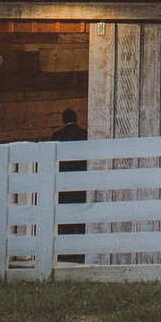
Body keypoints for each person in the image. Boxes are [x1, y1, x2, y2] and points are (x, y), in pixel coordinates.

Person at [51, 108, 90, 260]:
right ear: (77, 118)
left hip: (64, 182)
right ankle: (80, 252)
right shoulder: (85, 134)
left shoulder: (57, 136)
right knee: (80, 216)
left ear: (63, 120)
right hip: (81, 180)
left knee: (65, 216)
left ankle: (65, 252)